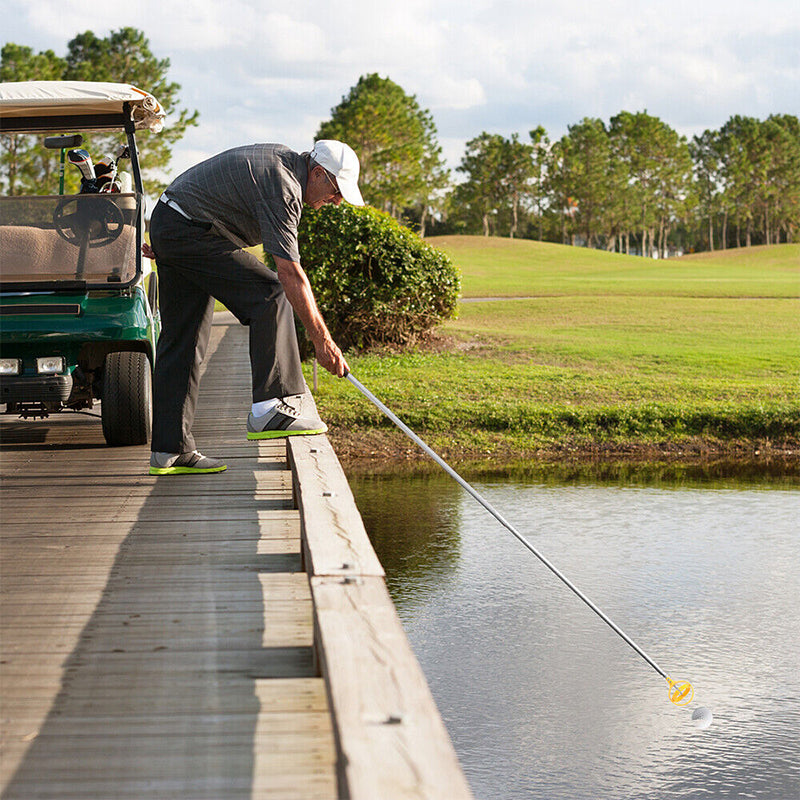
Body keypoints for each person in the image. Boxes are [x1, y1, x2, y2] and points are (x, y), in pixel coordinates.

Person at [145, 140, 363, 476]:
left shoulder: (284, 169)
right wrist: (323, 341)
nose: (335, 201)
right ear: (318, 173)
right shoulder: (285, 186)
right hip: (185, 229)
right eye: (335, 191)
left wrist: (168, 239)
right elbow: (289, 273)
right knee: (271, 294)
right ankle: (271, 408)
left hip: (172, 222)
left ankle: (169, 450)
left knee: (184, 339)